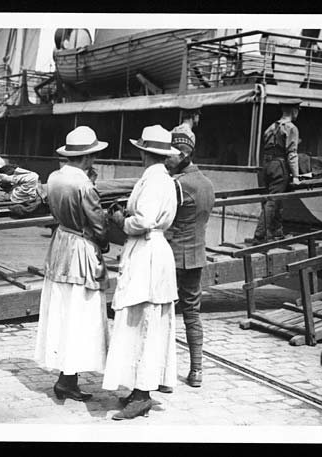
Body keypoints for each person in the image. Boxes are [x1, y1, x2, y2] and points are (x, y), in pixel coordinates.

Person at [102, 125, 180, 420]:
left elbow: (145, 220)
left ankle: (143, 394)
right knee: (143, 321)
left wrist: (122, 220)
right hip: (151, 250)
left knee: (144, 320)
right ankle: (139, 389)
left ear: (143, 152)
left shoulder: (155, 181)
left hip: (148, 252)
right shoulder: (162, 179)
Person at [34, 126, 111, 402]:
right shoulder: (84, 185)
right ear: (88, 157)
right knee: (81, 313)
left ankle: (66, 378)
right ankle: (68, 380)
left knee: (62, 310)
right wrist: (103, 244)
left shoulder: (54, 177)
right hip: (80, 249)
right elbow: (98, 224)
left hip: (60, 244)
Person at [164, 131, 215, 389]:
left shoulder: (178, 184)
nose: (166, 161)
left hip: (173, 257)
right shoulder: (207, 183)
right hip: (196, 256)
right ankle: (196, 371)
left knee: (164, 314)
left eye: (170, 157)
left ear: (183, 155)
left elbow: (168, 221)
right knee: (192, 314)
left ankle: (162, 375)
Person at [250, 99, 302, 244]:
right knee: (273, 202)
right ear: (294, 111)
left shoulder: (271, 127)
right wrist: (296, 176)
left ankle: (276, 233)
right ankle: (259, 236)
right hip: (280, 166)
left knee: (275, 200)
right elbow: (292, 153)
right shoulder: (292, 128)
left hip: (266, 166)